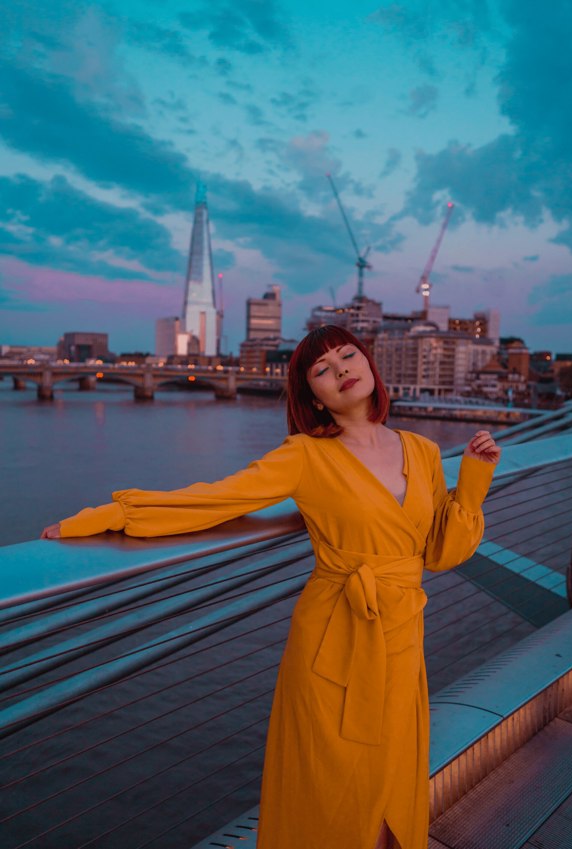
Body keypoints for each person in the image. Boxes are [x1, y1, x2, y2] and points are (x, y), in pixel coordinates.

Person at [42, 325, 500, 849]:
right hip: (334, 640)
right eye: (322, 370)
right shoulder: (304, 455)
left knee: (394, 786)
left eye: (349, 356)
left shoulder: (420, 451)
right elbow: (217, 499)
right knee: (330, 793)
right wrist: (111, 515)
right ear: (314, 398)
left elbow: (441, 552)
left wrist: (474, 480)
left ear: (370, 366)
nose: (342, 370)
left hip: (401, 638)